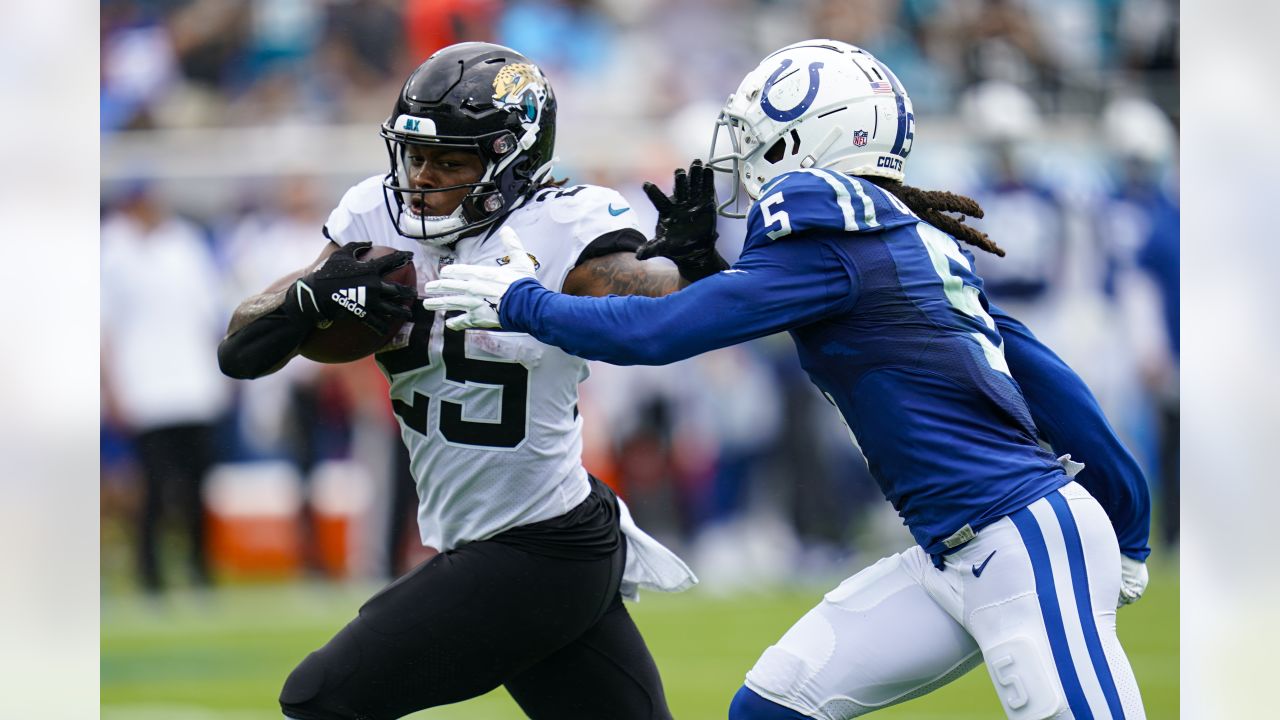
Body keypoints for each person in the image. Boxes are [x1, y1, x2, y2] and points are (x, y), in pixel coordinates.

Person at [424, 40, 1151, 719]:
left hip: (1021, 538)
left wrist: (522, 301)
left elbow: (656, 333)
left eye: (756, 136)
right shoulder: (894, 241)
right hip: (954, 550)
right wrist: (1128, 510)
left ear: (814, 136)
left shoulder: (832, 246)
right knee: (774, 704)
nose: (740, 158)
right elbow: (1045, 376)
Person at [217, 42, 703, 720]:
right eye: (416, 156)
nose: (424, 178)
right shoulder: (375, 216)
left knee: (322, 698)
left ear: (514, 159)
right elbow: (241, 348)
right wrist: (308, 299)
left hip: (541, 545)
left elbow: (648, 302)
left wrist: (689, 264)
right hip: (519, 539)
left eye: (451, 161)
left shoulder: (563, 222)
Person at [101, 180, 231, 593]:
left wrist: (223, 372)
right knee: (154, 487)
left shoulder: (185, 243)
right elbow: (104, 328)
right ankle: (150, 574)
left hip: (194, 384)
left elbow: (211, 312)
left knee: (198, 486)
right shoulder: (113, 250)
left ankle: (198, 569)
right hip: (146, 388)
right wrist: (111, 388)